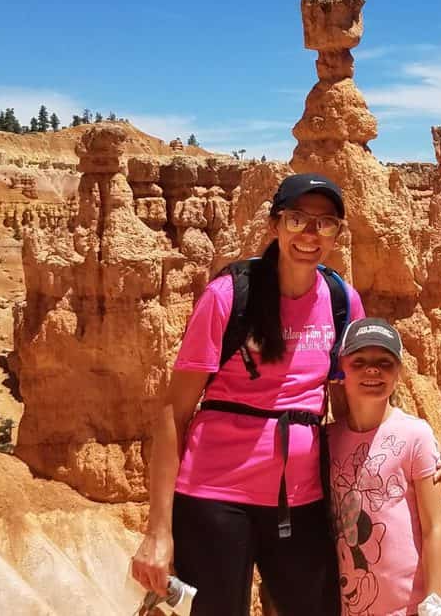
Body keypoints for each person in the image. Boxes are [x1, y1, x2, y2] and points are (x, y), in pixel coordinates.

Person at [130, 173, 362, 616]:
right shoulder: (228, 297)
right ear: (274, 225)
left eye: (324, 223)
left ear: (336, 233)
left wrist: (413, 446)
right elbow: (173, 413)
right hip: (214, 500)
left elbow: (349, 405)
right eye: (297, 220)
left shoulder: (341, 301)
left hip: (303, 501)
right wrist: (158, 532)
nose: (310, 235)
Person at [327, 317, 441, 616]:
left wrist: (434, 601)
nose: (372, 370)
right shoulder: (327, 439)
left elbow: (434, 526)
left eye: (385, 362)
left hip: (405, 608)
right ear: (342, 368)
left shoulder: (415, 435)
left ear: (398, 372)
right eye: (360, 362)